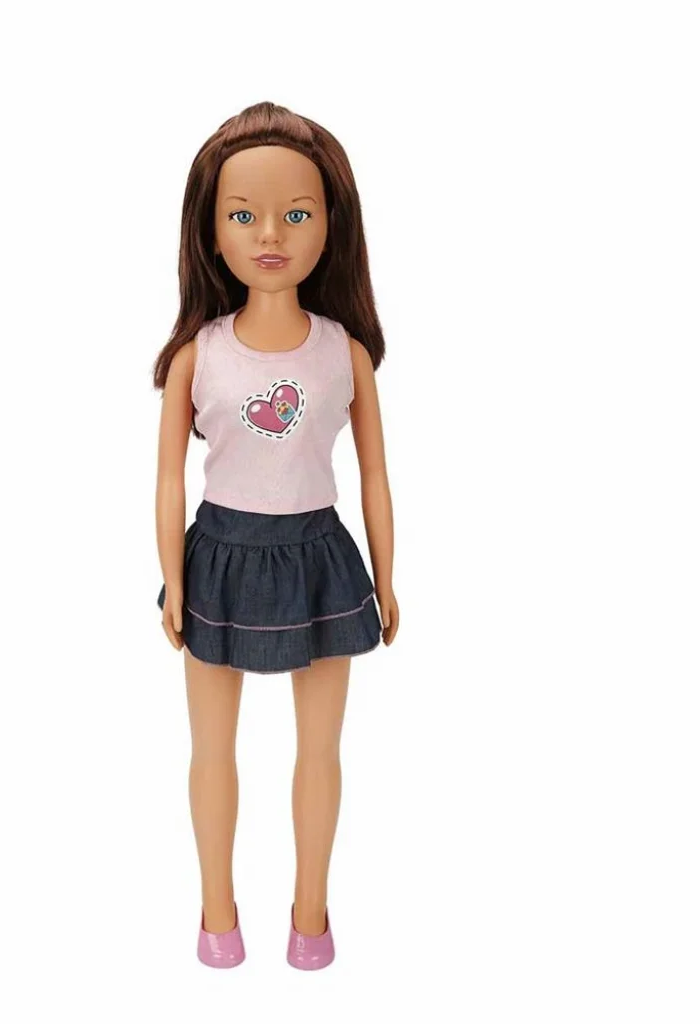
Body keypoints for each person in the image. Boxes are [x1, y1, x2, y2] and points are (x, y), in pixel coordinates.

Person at [152, 101, 400, 970]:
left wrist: (385, 576)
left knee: (319, 752)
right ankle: (217, 915)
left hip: (320, 557)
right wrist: (173, 576)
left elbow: (374, 474)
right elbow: (169, 479)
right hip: (218, 556)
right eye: (243, 214)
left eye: (296, 214)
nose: (269, 234)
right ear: (210, 228)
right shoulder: (199, 354)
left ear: (332, 224)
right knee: (212, 752)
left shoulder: (344, 352)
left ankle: (311, 916)